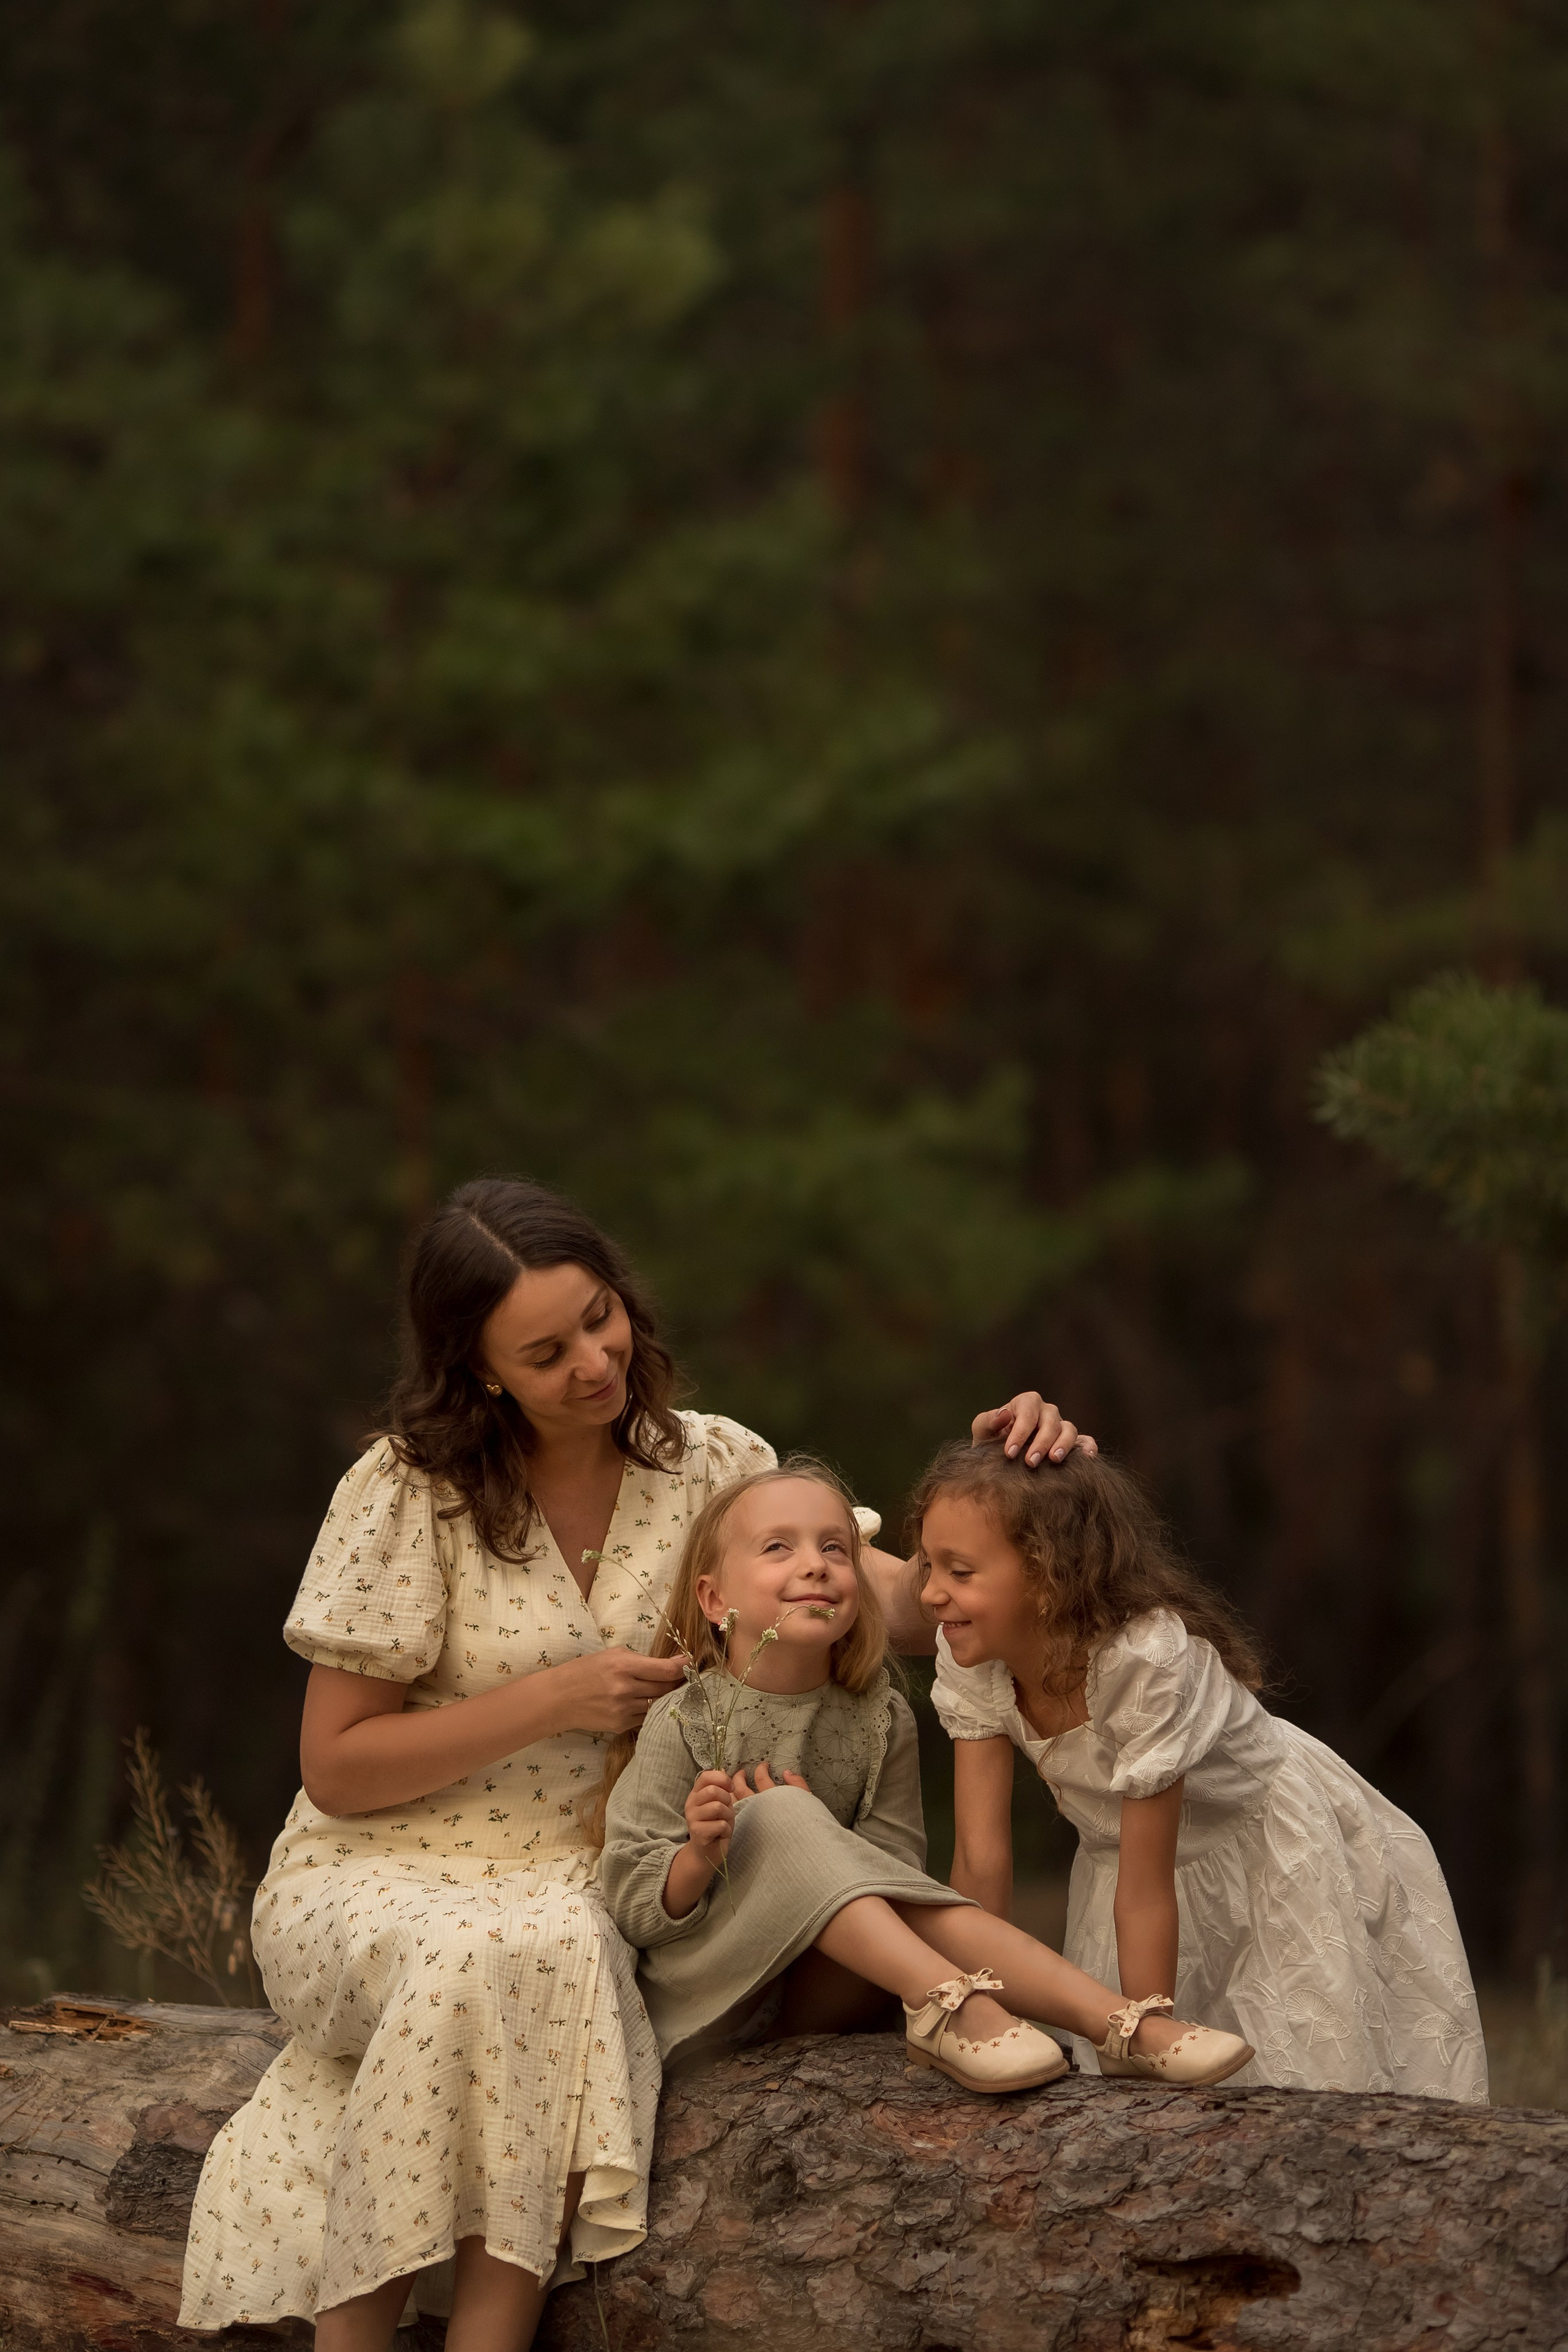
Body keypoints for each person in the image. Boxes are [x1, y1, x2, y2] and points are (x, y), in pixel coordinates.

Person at [178, 1175, 1095, 2352]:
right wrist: (552, 1699)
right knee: (502, 1954)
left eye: (601, 1319)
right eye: (547, 1350)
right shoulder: (409, 1492)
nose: (596, 1364)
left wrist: (1018, 1481)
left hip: (612, 1880)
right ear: (479, 1368)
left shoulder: (714, 1465)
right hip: (380, 1872)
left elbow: (909, 1613)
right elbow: (340, 1769)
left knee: (556, 1939)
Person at [598, 1459, 1253, 2091]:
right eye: (778, 1547)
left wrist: (813, 1841)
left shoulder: (877, 1715)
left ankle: (1120, 2025)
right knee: (779, 1813)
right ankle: (960, 2007)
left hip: (833, 1987)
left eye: (835, 1548)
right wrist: (698, 1856)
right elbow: (630, 1905)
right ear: (714, 1598)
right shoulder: (683, 1719)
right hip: (719, 1999)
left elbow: (897, 1881)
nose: (814, 1565)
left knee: (840, 1851)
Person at [916, 1440, 1489, 2098]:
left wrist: (1145, 2031)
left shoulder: (1144, 1660)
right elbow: (982, 1860)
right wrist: (980, 2006)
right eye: (929, 1564)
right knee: (1132, 2105)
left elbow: (1148, 1884)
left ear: (1049, 1577)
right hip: (1123, 1875)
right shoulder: (973, 1657)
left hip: (1267, 1854)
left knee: (1301, 2075)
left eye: (958, 1572)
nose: (931, 1593)